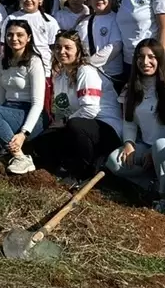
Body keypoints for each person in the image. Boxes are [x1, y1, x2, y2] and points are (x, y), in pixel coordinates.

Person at [27, 31, 123, 182]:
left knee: (75, 125)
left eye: (67, 48)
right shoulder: (60, 76)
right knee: (42, 142)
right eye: (58, 47)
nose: (62, 51)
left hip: (106, 128)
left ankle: (84, 171)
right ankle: (63, 165)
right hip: (78, 124)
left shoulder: (86, 71)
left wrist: (65, 122)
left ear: (78, 50)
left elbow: (90, 110)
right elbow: (61, 109)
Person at [105, 38, 165, 207]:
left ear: (160, 59)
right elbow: (129, 122)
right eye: (140, 57)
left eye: (151, 57)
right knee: (114, 161)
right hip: (145, 145)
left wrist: (154, 152)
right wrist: (129, 143)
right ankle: (151, 185)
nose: (145, 62)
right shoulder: (131, 88)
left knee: (160, 146)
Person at [0, 20, 47, 175]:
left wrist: (23, 133)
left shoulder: (34, 61)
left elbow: (37, 103)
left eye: (20, 35)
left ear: (28, 37)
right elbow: (0, 95)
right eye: (10, 35)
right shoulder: (2, 60)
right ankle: (4, 154)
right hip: (7, 109)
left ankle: (20, 157)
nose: (14, 39)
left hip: (30, 114)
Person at [0, 0, 59, 77]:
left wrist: (55, 70)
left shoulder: (50, 22)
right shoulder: (11, 18)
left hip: (44, 72)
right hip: (17, 71)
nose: (29, 0)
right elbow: (3, 46)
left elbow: (54, 48)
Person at [78, 0, 124, 91]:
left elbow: (115, 46)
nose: (99, 0)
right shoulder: (83, 22)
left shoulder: (117, 19)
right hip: (89, 74)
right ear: (89, 0)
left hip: (111, 74)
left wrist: (90, 62)